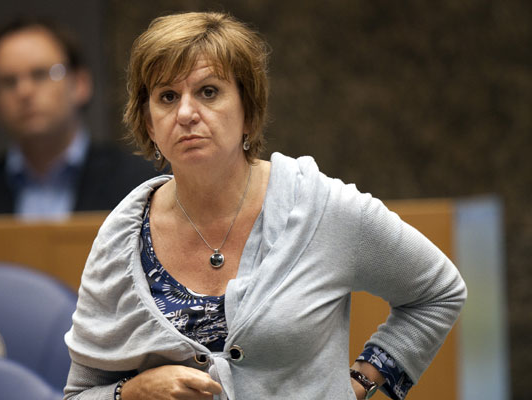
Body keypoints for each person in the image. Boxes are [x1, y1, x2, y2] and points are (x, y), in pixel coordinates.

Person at [64, 11, 467, 400]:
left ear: (248, 111)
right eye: (167, 96)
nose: (185, 113)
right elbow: (80, 393)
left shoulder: (319, 207)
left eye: (208, 92)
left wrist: (362, 382)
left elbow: (438, 292)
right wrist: (131, 393)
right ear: (149, 123)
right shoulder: (122, 236)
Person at [0, 17, 157, 219]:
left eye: (40, 74)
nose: (24, 92)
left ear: (80, 84)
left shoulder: (141, 186)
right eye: (8, 82)